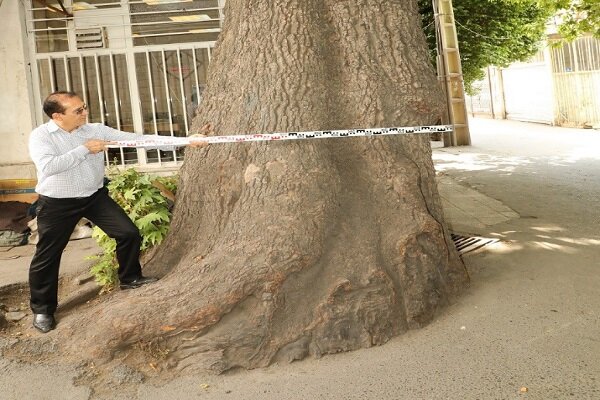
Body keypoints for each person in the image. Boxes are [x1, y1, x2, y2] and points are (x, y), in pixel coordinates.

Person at [28, 91, 208, 333]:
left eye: (84, 107)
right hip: (57, 202)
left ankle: (130, 278)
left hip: (93, 197)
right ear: (58, 116)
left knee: (128, 233)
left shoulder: (94, 129)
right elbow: (48, 167)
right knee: (47, 256)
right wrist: (84, 150)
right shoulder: (41, 137)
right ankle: (42, 310)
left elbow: (138, 139)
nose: (85, 113)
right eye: (78, 110)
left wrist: (186, 141)